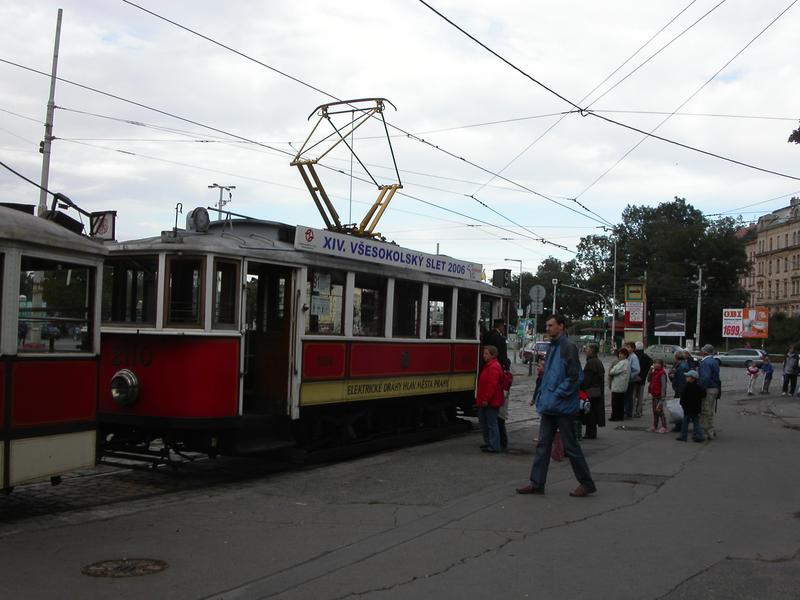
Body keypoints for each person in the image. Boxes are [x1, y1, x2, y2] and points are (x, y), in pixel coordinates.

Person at [517, 315, 596, 497]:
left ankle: (586, 483)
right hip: (550, 405)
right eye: (547, 325)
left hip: (562, 406)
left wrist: (558, 392)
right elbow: (555, 374)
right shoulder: (552, 346)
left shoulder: (568, 347)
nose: (547, 328)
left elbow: (575, 376)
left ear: (561, 326)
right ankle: (536, 483)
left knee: (571, 446)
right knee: (543, 445)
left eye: (551, 325)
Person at [476, 345, 504, 453]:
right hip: (488, 400)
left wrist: (486, 399)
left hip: (491, 401)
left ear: (493, 355)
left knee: (491, 423)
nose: (484, 355)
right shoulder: (489, 365)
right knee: (485, 421)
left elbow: (492, 385)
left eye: (486, 354)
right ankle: (489, 443)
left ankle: (494, 445)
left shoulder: (493, 367)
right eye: (484, 353)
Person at [581, 343, 606, 439]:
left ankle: (590, 433)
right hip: (596, 391)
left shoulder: (591, 363)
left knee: (590, 412)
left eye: (587, 349)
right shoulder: (597, 361)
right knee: (593, 411)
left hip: (591, 391)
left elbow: (587, 379)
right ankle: (591, 432)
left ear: (592, 350)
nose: (585, 350)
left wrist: (582, 389)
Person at [697, 344, 721, 440]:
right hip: (714, 388)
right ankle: (710, 430)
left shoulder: (705, 362)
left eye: (702, 350)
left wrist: (700, 388)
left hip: (708, 388)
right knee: (709, 410)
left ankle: (705, 432)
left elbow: (705, 377)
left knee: (705, 410)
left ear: (704, 352)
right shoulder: (714, 361)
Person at [677, 369, 705, 442]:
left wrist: (682, 404)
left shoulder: (686, 387)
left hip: (687, 408)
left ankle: (684, 436)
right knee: (696, 423)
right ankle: (699, 435)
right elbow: (703, 394)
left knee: (685, 423)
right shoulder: (699, 387)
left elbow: (683, 398)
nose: (686, 377)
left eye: (688, 376)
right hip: (696, 408)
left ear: (692, 378)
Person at [608, 347, 631, 421]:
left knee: (615, 403)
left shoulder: (622, 363)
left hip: (618, 386)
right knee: (620, 403)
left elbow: (612, 371)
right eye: (619, 353)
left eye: (622, 354)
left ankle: (615, 417)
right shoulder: (627, 362)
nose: (620, 355)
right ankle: (620, 416)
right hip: (622, 386)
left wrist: (613, 368)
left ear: (625, 355)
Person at [647, 358, 669, 433]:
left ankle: (664, 427)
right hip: (654, 394)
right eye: (655, 363)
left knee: (659, 411)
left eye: (658, 363)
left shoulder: (662, 373)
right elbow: (649, 379)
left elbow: (663, 385)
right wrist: (650, 370)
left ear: (661, 365)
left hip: (659, 395)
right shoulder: (654, 372)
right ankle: (654, 425)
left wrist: (663, 396)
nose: (656, 365)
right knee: (654, 411)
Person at [634, 341, 653, 418]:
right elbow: (650, 363)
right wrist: (643, 376)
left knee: (633, 396)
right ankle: (639, 412)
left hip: (634, 379)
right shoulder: (647, 357)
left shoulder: (634, 356)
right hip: (642, 380)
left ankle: (632, 411)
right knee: (640, 397)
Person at [624, 341, 640, 418]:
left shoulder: (633, 357)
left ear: (633, 349)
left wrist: (629, 376)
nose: (626, 348)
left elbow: (637, 369)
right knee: (626, 396)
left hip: (630, 380)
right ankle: (626, 411)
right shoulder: (627, 356)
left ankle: (628, 412)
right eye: (625, 347)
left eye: (628, 347)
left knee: (628, 396)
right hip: (625, 380)